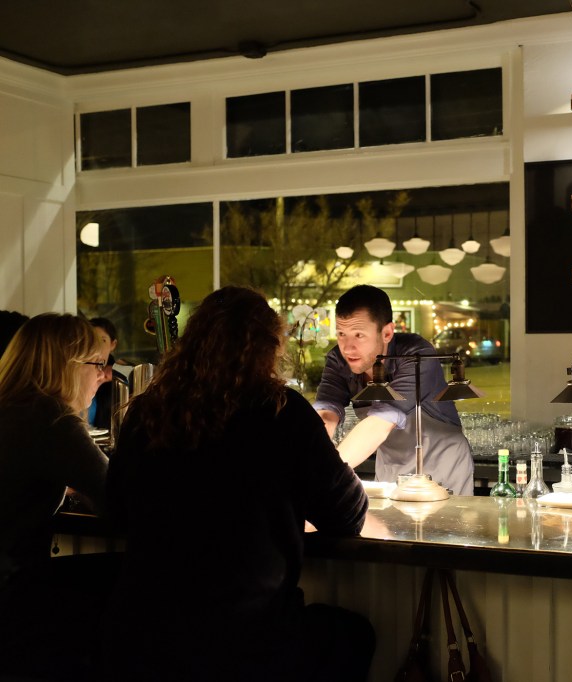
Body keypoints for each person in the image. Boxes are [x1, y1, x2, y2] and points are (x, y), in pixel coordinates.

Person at [104, 286, 373, 681]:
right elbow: (347, 515)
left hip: (142, 640)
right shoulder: (282, 412)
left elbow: (117, 511)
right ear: (269, 348)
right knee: (353, 635)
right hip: (246, 642)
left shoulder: (150, 410)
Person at [0, 313, 110, 679]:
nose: (103, 375)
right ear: (69, 366)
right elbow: (119, 500)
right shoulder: (51, 418)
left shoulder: (11, 405)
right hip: (12, 593)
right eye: (97, 364)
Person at [315, 285, 475, 495]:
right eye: (341, 334)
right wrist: (308, 461)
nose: (347, 347)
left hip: (443, 465)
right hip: (390, 468)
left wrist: (326, 476)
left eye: (359, 335)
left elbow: (381, 422)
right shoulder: (338, 359)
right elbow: (325, 416)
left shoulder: (416, 355)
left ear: (387, 333)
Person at [88, 317, 118, 429]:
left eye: (103, 340)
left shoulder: (117, 376)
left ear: (113, 345)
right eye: (92, 340)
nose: (97, 346)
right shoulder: (79, 371)